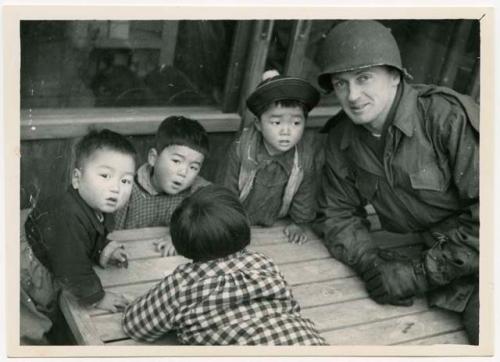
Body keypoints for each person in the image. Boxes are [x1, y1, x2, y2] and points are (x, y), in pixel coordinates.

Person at [313, 20, 479, 344]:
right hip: (447, 258)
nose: (353, 95)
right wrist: (373, 266)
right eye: (340, 83)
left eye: (363, 78)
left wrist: (417, 274)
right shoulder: (341, 139)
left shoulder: (444, 117)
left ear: (394, 76)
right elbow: (337, 215)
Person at [121, 185, 327, 345]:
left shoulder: (183, 283)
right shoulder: (262, 263)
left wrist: (139, 304)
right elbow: (290, 308)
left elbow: (136, 326)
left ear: (181, 243)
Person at [21, 129, 137, 344]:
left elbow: (90, 234)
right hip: (28, 263)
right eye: (105, 176)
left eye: (126, 181)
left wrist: (103, 249)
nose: (115, 188)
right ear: (77, 178)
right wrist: (98, 298)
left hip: (54, 245)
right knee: (30, 323)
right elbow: (72, 263)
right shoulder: (66, 214)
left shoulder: (97, 205)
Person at [222, 70, 320, 244]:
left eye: (296, 123)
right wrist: (228, 220)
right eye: (276, 122)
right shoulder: (242, 149)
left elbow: (305, 193)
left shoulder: (303, 157)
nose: (286, 131)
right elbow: (226, 189)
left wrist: (298, 223)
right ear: (259, 124)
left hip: (278, 223)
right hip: (238, 221)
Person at [113, 116, 210, 255]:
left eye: (193, 167)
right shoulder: (127, 190)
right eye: (176, 161)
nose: (183, 172)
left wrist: (181, 237)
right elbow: (110, 235)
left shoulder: (199, 191)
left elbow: (220, 219)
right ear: (153, 158)